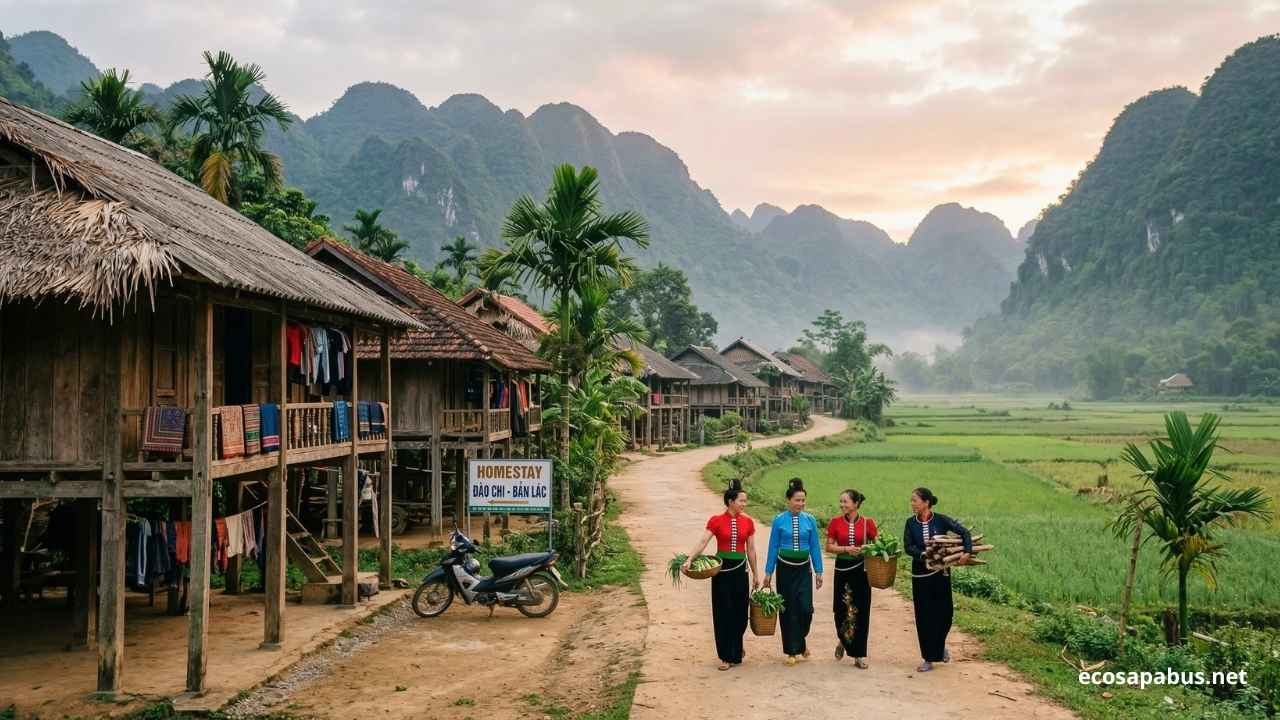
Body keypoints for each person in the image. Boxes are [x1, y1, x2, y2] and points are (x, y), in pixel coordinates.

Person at [682, 479, 760, 670]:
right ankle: (727, 655)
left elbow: (751, 549)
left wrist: (756, 574)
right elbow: (703, 541)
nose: (744, 504)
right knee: (723, 612)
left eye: (745, 501)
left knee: (741, 614)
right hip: (722, 571)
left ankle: (736, 645)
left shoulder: (748, 522)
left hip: (741, 570)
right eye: (741, 501)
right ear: (731, 501)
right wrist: (690, 559)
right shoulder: (716, 520)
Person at [903, 486, 971, 672]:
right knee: (924, 616)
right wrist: (925, 554)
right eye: (911, 500)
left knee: (945, 613)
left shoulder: (941, 520)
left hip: (941, 574)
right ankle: (928, 657)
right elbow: (908, 547)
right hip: (921, 575)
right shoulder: (910, 523)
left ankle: (939, 647)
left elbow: (964, 533)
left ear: (926, 502)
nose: (912, 504)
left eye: (914, 500)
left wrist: (967, 552)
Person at [762, 478, 824, 666]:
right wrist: (768, 571)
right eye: (797, 500)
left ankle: (801, 642)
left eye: (803, 500)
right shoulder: (779, 520)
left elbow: (815, 546)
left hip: (803, 569)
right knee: (788, 610)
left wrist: (818, 571)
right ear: (789, 500)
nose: (801, 504)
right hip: (785, 569)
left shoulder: (810, 520)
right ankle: (791, 650)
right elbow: (773, 546)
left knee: (805, 609)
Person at [826, 489, 877, 668]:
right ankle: (843, 640)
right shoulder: (835, 522)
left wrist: (866, 550)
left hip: (861, 572)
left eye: (845, 502)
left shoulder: (867, 523)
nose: (842, 505)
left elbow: (877, 546)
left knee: (861, 611)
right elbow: (829, 547)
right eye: (841, 501)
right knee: (841, 610)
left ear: (855, 504)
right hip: (842, 570)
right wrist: (846, 549)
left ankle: (858, 655)